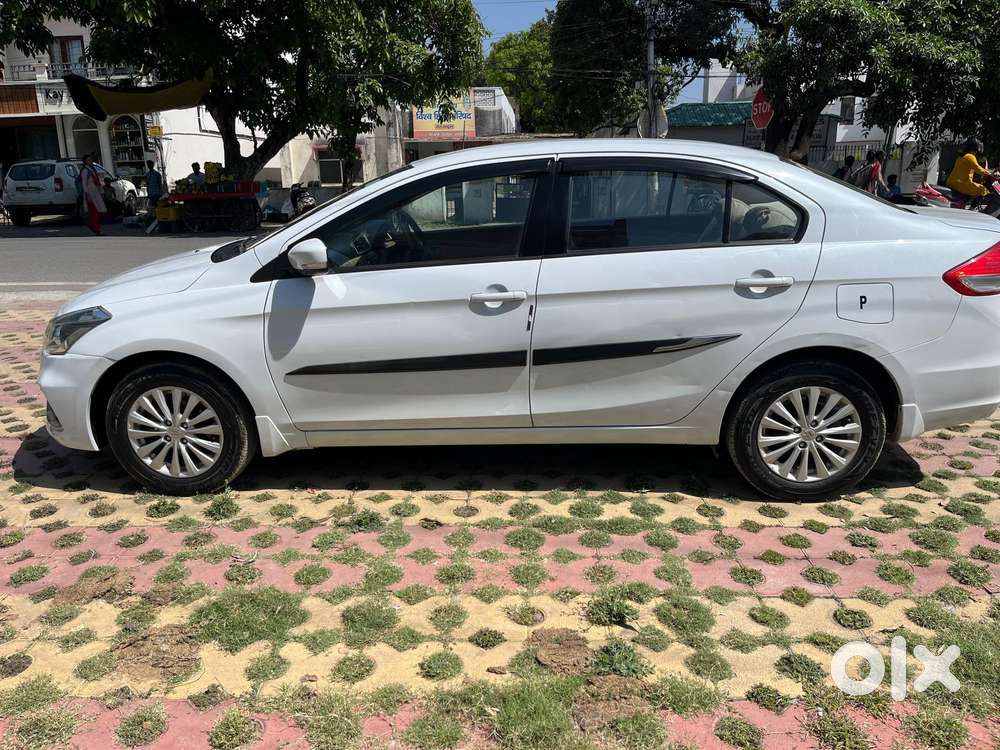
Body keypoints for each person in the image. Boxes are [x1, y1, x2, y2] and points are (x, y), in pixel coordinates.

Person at [947, 138, 991, 209]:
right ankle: (972, 209)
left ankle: (964, 204)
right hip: (960, 183)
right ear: (975, 147)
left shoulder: (962, 156)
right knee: (983, 190)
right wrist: (990, 174)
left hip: (953, 182)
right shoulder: (970, 157)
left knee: (973, 188)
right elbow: (978, 169)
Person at [79, 153, 106, 235]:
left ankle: (95, 227)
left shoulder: (92, 170)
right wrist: (87, 195)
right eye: (88, 160)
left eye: (91, 160)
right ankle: (95, 228)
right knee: (94, 212)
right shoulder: (85, 171)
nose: (90, 161)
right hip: (90, 194)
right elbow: (84, 183)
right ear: (85, 161)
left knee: (100, 211)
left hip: (96, 193)